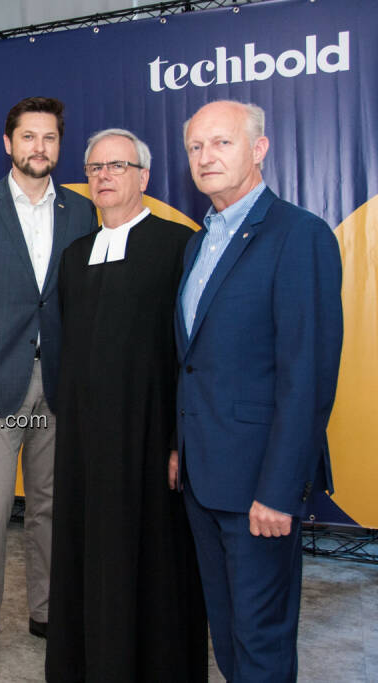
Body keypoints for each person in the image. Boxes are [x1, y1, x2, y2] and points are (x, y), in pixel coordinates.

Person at [177, 100, 343, 681]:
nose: (206, 157)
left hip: (257, 490)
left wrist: (278, 491)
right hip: (203, 480)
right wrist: (180, 449)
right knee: (226, 636)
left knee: (261, 642)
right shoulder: (201, 242)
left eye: (221, 143)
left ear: (259, 148)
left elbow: (309, 377)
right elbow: (194, 364)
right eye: (196, 147)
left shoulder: (300, 235)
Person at [0, 96, 97, 683]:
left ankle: (47, 611)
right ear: (9, 144)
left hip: (60, 383)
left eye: (50, 138)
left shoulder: (81, 213)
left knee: (52, 509)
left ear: (60, 146)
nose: (39, 148)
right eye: (29, 137)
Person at [45, 129, 207, 682]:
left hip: (148, 439)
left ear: (145, 175)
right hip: (85, 445)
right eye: (94, 168)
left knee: (153, 560)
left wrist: (176, 441)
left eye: (118, 165)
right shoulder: (73, 257)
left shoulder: (179, 245)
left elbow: (191, 354)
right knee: (86, 553)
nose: (104, 176)